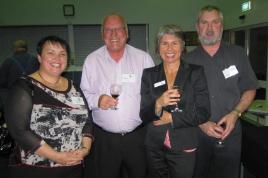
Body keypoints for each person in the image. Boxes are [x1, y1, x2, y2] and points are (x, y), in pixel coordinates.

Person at [184, 5, 258, 178]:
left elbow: (250, 88)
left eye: (215, 22)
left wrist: (236, 113)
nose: (210, 28)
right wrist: (202, 123)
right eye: (205, 23)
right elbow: (182, 99)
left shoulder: (237, 54)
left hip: (230, 132)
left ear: (221, 26)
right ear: (197, 27)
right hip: (197, 133)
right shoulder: (186, 61)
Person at [5, 36, 93, 178]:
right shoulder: (25, 86)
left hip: (73, 166)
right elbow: (20, 131)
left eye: (62, 54)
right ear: (39, 57)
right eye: (50, 53)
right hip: (37, 169)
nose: (57, 58)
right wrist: (57, 157)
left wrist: (85, 149)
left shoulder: (74, 87)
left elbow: (87, 121)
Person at [80, 13, 154, 178]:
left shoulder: (143, 59)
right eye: (108, 30)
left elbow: (152, 94)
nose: (114, 34)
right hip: (104, 140)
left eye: (118, 29)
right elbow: (83, 95)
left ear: (127, 33)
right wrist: (97, 100)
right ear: (102, 35)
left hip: (137, 138)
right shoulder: (91, 61)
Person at [140, 24, 210, 178]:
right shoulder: (149, 74)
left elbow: (203, 113)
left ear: (182, 46)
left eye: (174, 43)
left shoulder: (195, 72)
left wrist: (171, 118)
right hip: (154, 145)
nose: (169, 48)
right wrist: (158, 103)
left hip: (184, 144)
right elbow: (144, 114)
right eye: (164, 43)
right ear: (158, 48)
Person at [0, 39, 39, 178]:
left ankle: (18, 156)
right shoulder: (35, 60)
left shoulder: (8, 62)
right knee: (32, 128)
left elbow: (2, 84)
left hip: (13, 103)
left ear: (15, 48)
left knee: (16, 130)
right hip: (34, 100)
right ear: (26, 48)